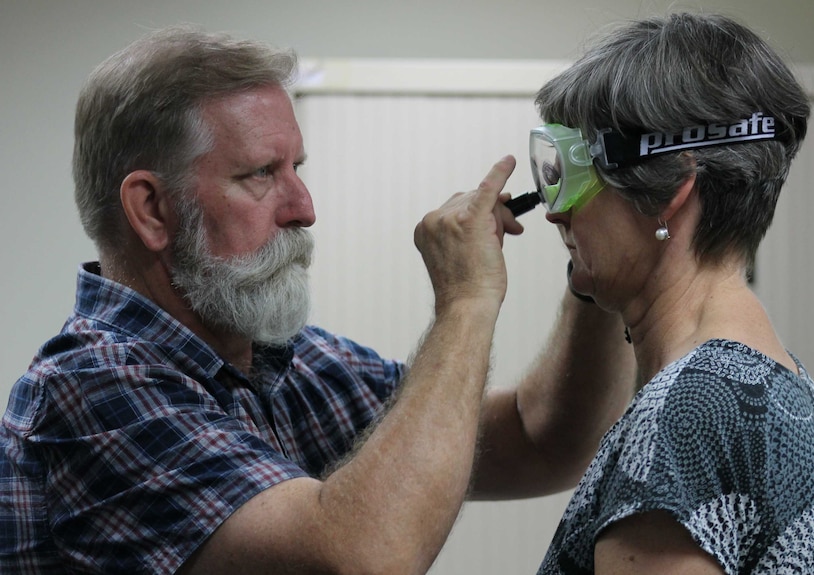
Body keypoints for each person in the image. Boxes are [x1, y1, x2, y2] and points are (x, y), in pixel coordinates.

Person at [0, 25, 636, 574]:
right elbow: (361, 559)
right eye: (260, 174)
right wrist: (467, 301)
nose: (304, 209)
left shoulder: (291, 364)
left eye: (297, 170)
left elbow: (539, 440)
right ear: (152, 208)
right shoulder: (92, 390)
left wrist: (594, 270)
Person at [523, 12, 814, 575]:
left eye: (577, 172)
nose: (556, 209)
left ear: (668, 191)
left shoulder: (695, 408)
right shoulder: (771, 383)